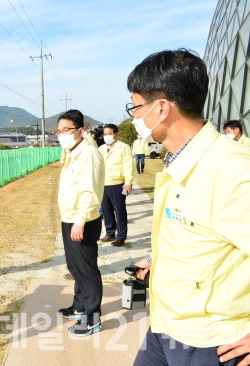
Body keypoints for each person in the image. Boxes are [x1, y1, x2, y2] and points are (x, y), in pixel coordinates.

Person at [127, 49, 250, 366]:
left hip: (211, 342)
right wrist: (158, 259)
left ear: (161, 108)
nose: (134, 118)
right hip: (166, 325)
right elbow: (196, 230)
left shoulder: (232, 170)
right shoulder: (179, 160)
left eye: (136, 107)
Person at [55, 109, 105, 337]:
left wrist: (80, 221)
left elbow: (90, 191)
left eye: (67, 130)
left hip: (81, 220)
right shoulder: (72, 151)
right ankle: (79, 306)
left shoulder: (88, 154)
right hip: (70, 217)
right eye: (59, 130)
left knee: (86, 269)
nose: (62, 134)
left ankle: (92, 318)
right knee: (75, 268)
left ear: (80, 131)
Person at [98, 124, 135, 247]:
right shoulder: (101, 148)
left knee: (119, 211)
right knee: (107, 211)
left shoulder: (123, 147)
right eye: (105, 134)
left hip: (117, 183)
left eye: (109, 133)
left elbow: (128, 165)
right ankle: (110, 233)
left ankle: (121, 236)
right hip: (103, 183)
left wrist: (128, 182)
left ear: (116, 134)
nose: (107, 136)